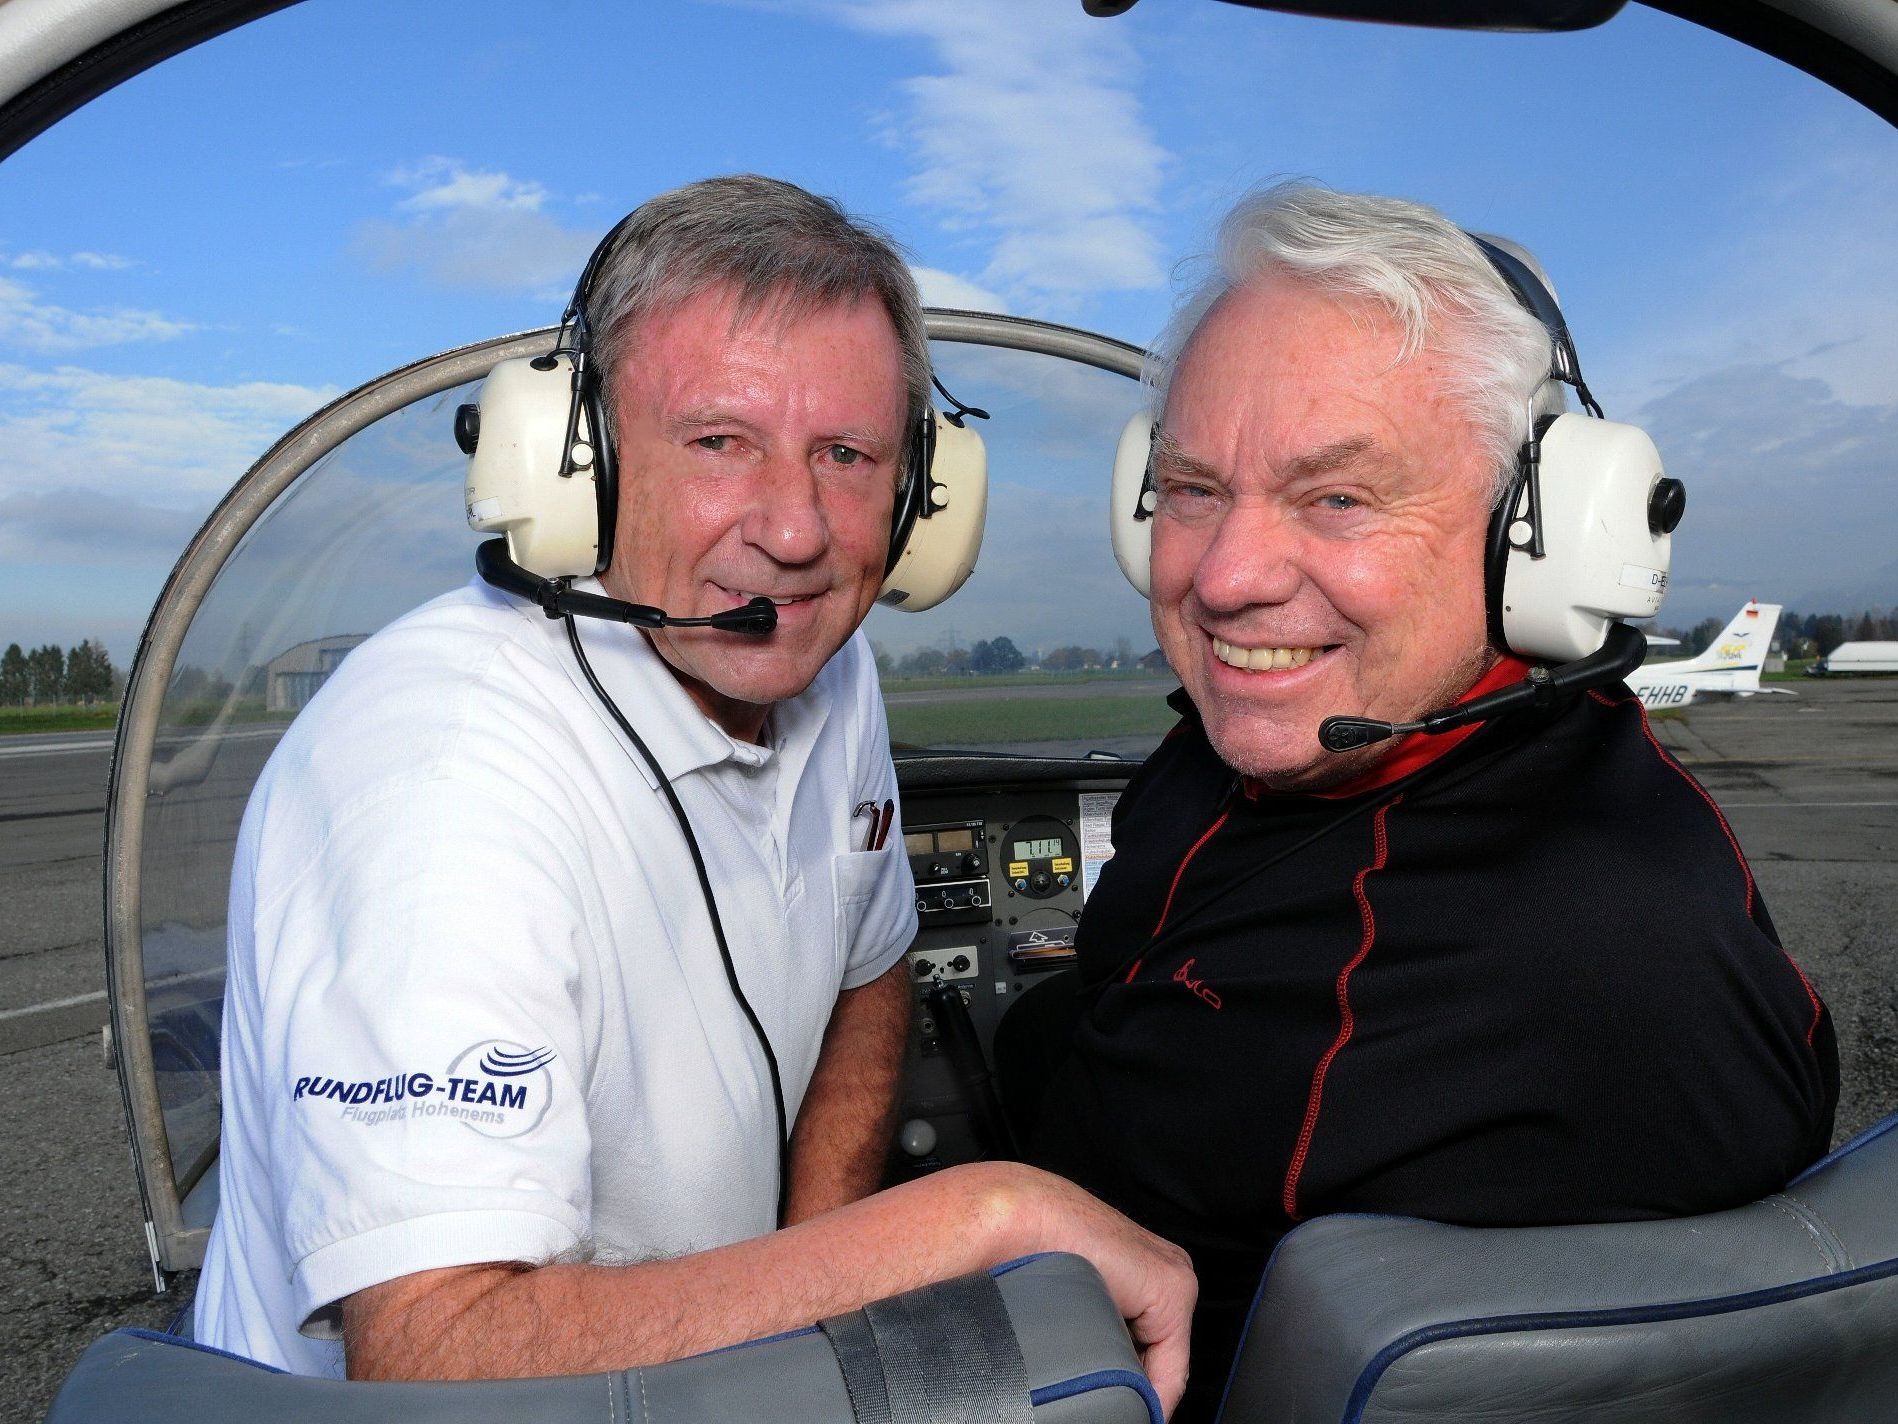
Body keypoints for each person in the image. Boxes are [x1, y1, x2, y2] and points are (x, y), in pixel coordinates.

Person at [195, 175, 1194, 1412]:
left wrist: (811, 1278)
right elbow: (435, 1353)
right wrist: (976, 1214)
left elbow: (869, 966)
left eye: (845, 455)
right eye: (718, 440)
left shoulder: (828, 663)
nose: (793, 529)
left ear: (919, 497)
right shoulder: (437, 775)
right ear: (584, 464)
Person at [997, 183, 1836, 1421]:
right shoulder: (1303, 741)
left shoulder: (1596, 952)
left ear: (1532, 541)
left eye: (1337, 497)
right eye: (1189, 486)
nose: (1223, 577)